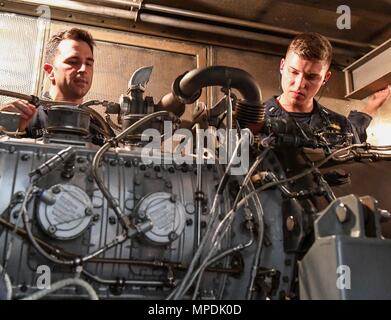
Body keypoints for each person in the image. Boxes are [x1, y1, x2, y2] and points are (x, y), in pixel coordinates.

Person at [264, 32, 390, 145]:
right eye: (293, 72)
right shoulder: (255, 120)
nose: (299, 84)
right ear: (282, 66)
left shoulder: (342, 127)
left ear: (325, 78)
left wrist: (371, 107)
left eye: (311, 77)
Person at [0, 28, 104, 143]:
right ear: (50, 71)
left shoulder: (100, 127)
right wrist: (5, 125)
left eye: (89, 63)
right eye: (73, 61)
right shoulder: (23, 114)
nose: (84, 69)